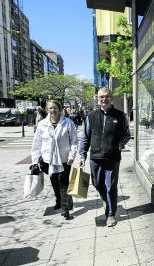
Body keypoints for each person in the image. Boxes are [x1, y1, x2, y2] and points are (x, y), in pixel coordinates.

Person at [79, 87, 131, 227]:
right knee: (97, 183)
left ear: (111, 98)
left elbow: (127, 134)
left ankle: (110, 214)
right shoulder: (91, 116)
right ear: (98, 99)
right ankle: (106, 199)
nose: (104, 99)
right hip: (95, 157)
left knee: (111, 186)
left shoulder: (120, 116)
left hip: (113, 157)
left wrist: (119, 145)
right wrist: (82, 154)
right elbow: (85, 137)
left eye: (107, 96)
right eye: (101, 97)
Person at [31, 100, 78, 219]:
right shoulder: (42, 124)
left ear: (60, 109)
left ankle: (65, 208)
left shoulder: (68, 123)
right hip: (48, 160)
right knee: (54, 181)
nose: (53, 110)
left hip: (64, 159)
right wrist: (35, 161)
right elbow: (36, 144)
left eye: (55, 108)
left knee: (63, 182)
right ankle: (60, 200)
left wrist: (72, 155)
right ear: (47, 110)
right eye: (50, 108)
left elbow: (74, 140)